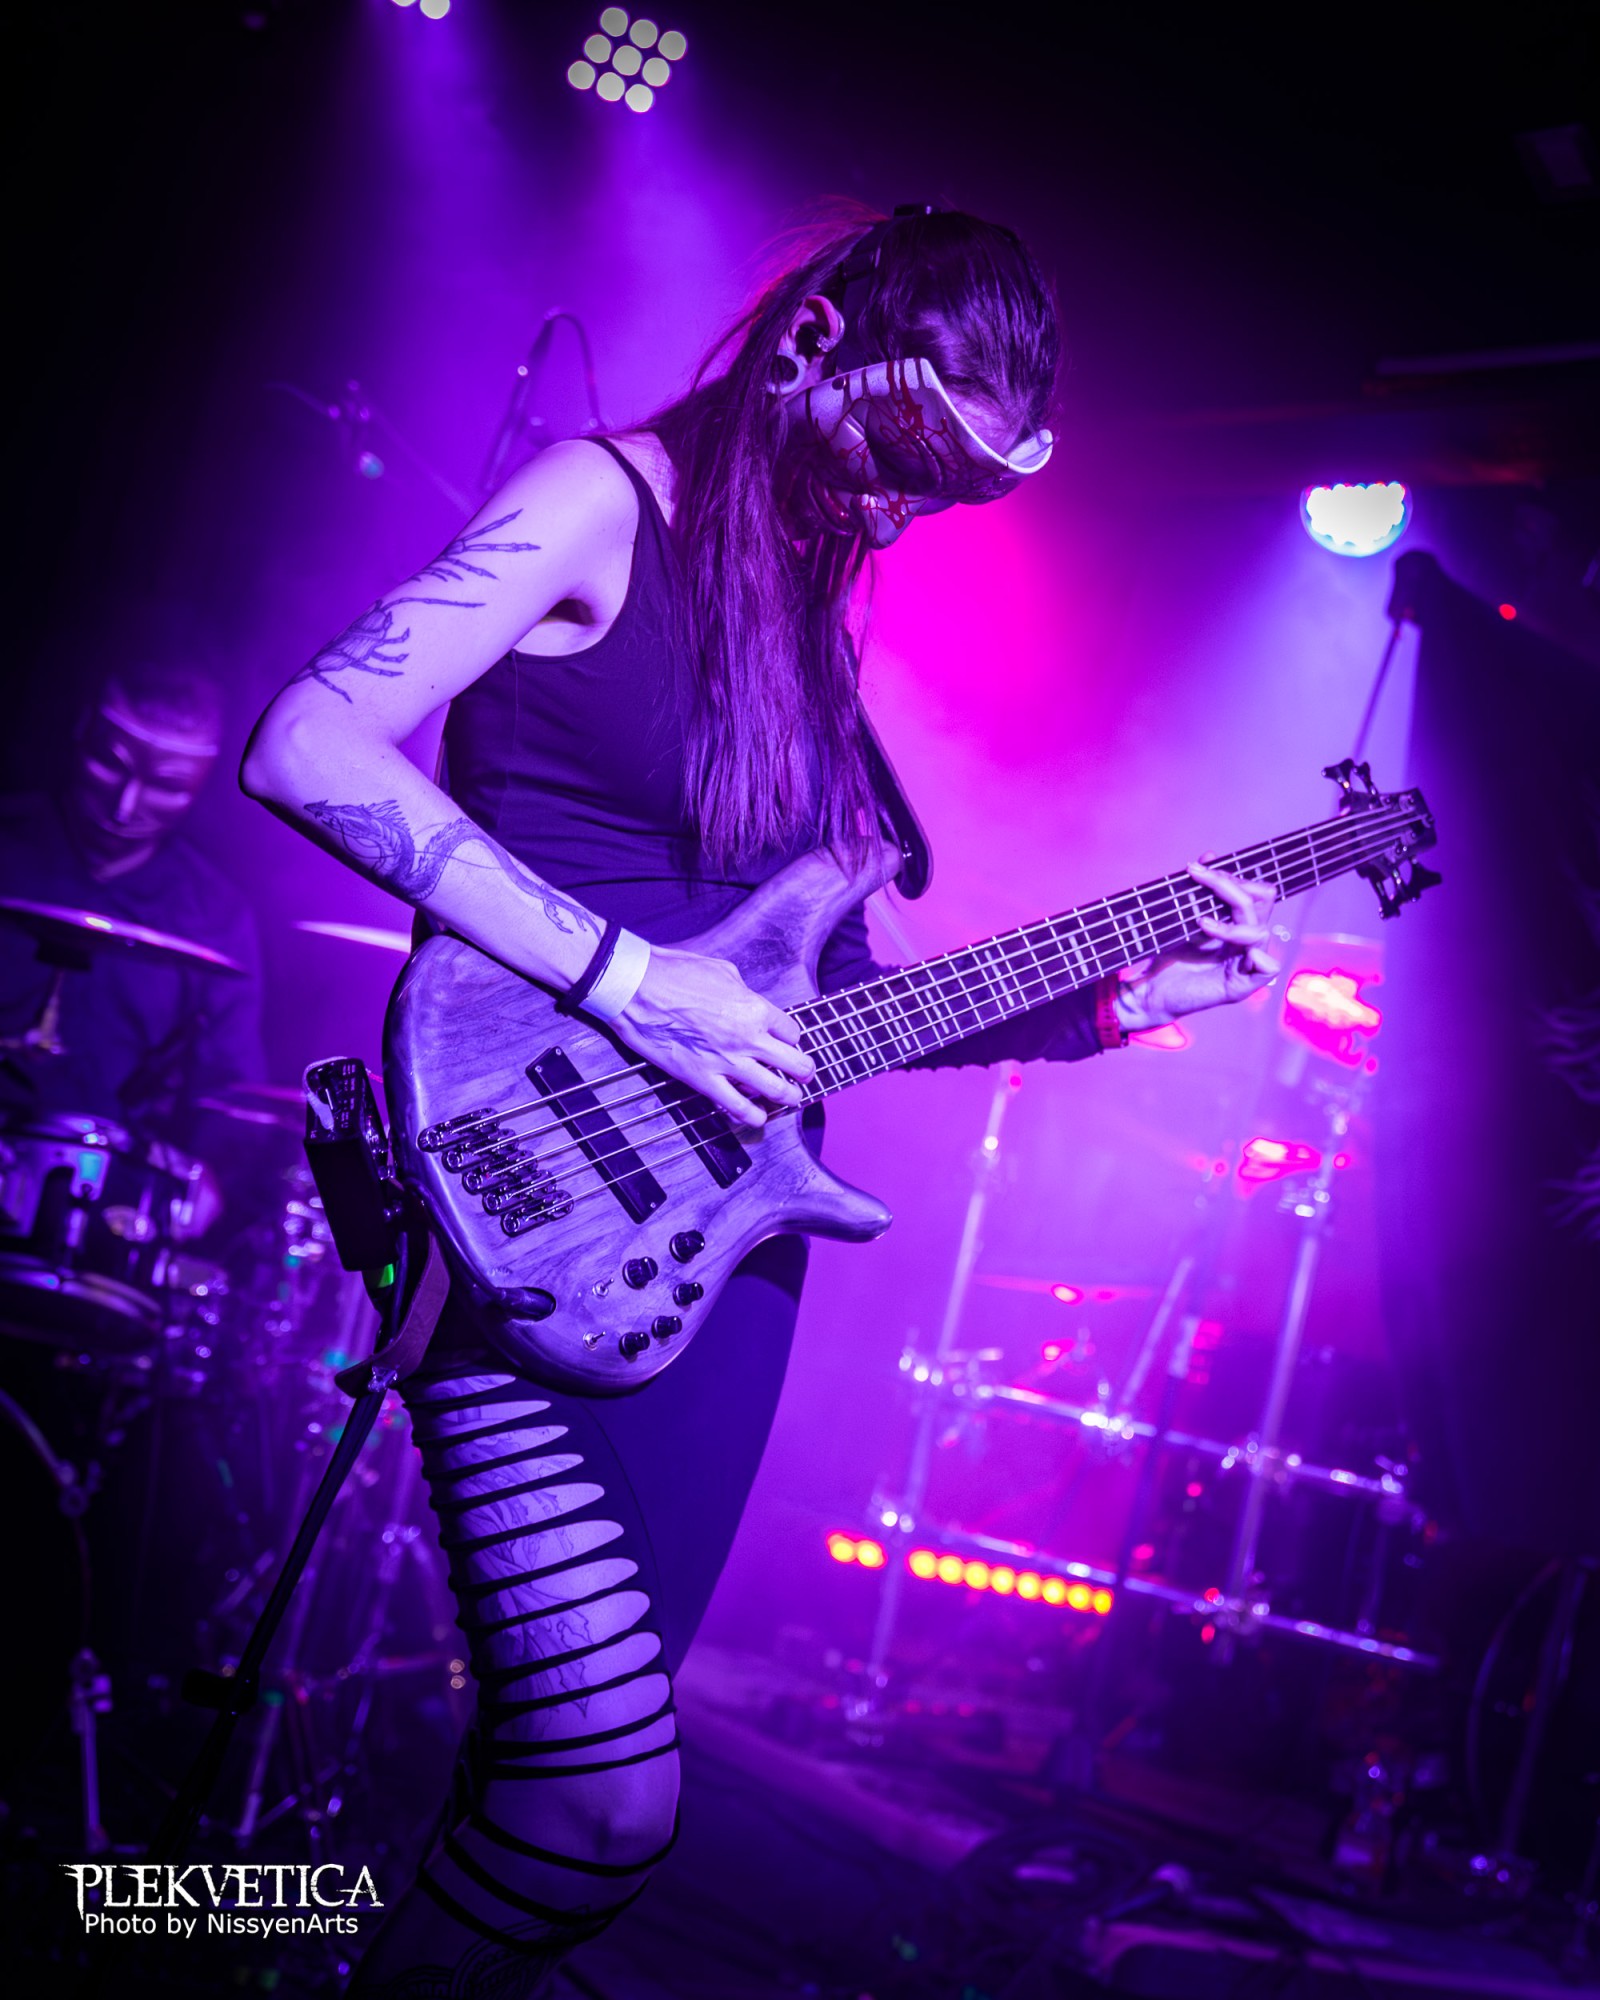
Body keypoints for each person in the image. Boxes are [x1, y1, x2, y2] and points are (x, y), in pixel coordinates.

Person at [241, 206, 1280, 1995]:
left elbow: (834, 1006)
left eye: (947, 491)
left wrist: (1117, 1003)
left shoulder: (805, 618)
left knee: (563, 1800)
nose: (898, 509)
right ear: (813, 347)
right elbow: (306, 744)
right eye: (898, 454)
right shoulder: (596, 502)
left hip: (712, 1245)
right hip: (512, 1185)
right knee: (604, 1801)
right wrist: (634, 982)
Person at [0, 664, 266, 1208]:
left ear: (202, 783)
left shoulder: (215, 914)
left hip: (107, 1198)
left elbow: (230, 1088)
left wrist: (209, 1175)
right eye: (109, 765)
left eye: (166, 786)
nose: (125, 807)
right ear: (81, 731)